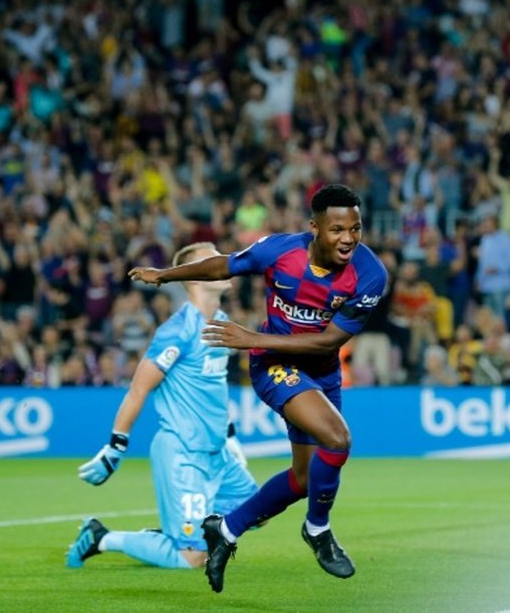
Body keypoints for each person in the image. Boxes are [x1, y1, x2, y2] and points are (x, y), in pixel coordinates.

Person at [128, 184, 388, 594]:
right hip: (274, 365)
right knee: (337, 438)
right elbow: (223, 266)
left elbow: (328, 342)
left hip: (318, 369)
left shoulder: (370, 275)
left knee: (304, 479)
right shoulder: (280, 251)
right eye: (337, 229)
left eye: (355, 228)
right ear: (315, 228)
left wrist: (251, 337)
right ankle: (318, 530)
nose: (348, 239)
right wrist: (165, 275)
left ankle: (225, 530)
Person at [65, 242, 258, 570]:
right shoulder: (178, 331)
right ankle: (100, 537)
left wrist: (229, 436)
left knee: (256, 509)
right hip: (183, 453)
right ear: (196, 277)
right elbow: (138, 389)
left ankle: (173, 533)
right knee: (192, 557)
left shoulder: (222, 321)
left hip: (216, 452)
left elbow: (214, 388)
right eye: (212, 259)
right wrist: (116, 447)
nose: (224, 261)